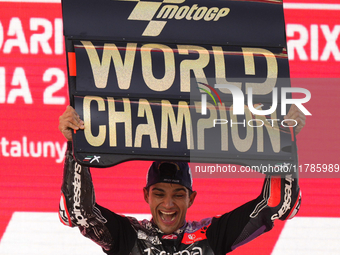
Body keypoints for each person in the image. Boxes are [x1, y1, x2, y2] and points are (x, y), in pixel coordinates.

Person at [58, 105, 305, 255]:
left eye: (178, 194)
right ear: (146, 195)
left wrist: (285, 140)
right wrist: (75, 142)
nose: (168, 204)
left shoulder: (211, 235)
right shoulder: (127, 235)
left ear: (191, 198)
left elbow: (279, 203)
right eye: (159, 193)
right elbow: (75, 211)